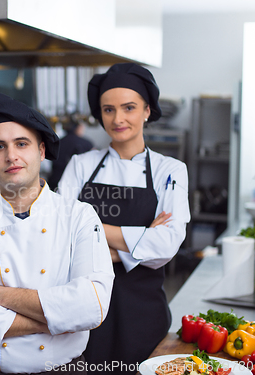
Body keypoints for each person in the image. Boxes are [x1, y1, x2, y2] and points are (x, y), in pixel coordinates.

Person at [0, 91, 114, 375]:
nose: (11, 156)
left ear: (41, 150)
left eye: (22, 143)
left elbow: (92, 305)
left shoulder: (79, 216)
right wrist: (55, 320)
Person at [58, 63, 191, 373]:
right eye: (108, 109)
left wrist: (89, 231)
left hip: (142, 314)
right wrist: (139, 239)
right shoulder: (81, 164)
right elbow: (58, 235)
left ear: (147, 110)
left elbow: (167, 244)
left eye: (128, 108)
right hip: (83, 313)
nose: (118, 119)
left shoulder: (169, 170)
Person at [48, 114, 93, 190]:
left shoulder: (57, 142)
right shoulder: (86, 143)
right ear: (78, 127)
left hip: (55, 181)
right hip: (76, 184)